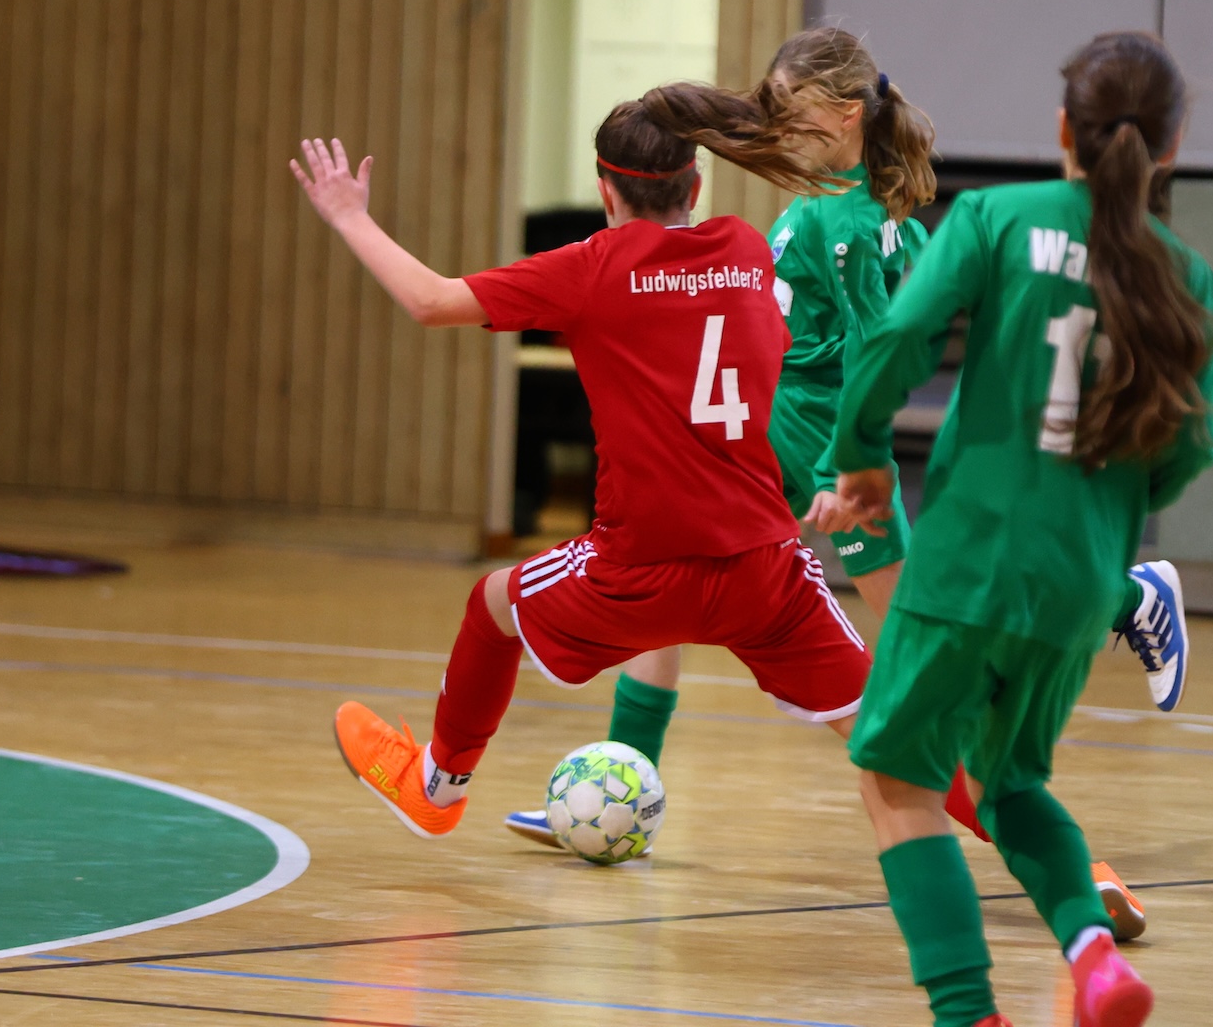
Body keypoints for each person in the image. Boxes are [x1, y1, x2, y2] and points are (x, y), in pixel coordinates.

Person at [496, 31, 1167, 944]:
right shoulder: (839, 197)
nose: (776, 127)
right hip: (772, 446)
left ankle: (1088, 777)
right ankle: (623, 788)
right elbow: (765, 162)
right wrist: (666, 115)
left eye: (791, 112)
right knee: (668, 580)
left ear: (844, 115)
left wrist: (843, 472)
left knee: (926, 661)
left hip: (823, 458)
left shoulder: (840, 221)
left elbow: (872, 355)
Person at [294, 105, 879, 839]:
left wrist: (350, 216)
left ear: (606, 192)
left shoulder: (592, 267)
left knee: (494, 603)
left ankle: (436, 787)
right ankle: (1018, 837)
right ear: (695, 186)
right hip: (763, 566)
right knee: (885, 733)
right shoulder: (745, 249)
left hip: (638, 569)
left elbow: (430, 300)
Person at [829, 32, 1213, 1027]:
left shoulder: (998, 218)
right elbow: (1190, 452)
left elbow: (897, 336)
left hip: (970, 561)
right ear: (1172, 147)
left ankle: (970, 1014)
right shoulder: (1191, 279)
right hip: (1082, 581)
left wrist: (863, 453)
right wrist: (1109, 501)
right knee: (1009, 786)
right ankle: (1093, 958)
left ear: (1062, 131)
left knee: (897, 779)